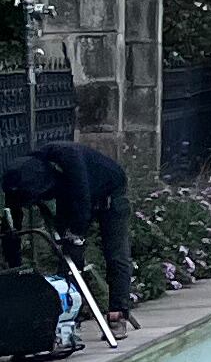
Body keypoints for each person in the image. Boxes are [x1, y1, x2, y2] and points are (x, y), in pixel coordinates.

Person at [2, 138, 135, 324]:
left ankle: (118, 312)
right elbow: (11, 225)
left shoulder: (70, 160)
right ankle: (71, 309)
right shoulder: (18, 177)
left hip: (109, 192)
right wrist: (14, 264)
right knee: (69, 257)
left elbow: (82, 202)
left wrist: (76, 234)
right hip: (69, 195)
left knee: (115, 254)